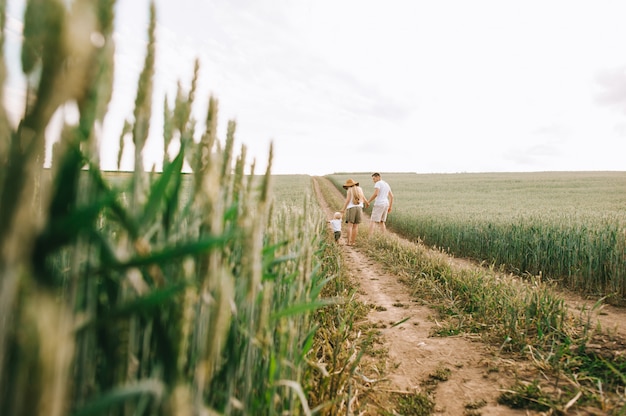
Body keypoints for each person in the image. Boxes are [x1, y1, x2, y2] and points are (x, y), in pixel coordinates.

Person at [340, 178, 369, 246]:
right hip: (359, 208)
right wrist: (367, 203)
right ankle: (353, 242)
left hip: (351, 208)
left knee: (350, 226)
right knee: (355, 226)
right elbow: (363, 197)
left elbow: (347, 200)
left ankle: (348, 242)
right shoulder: (360, 189)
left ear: (348, 185)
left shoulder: (349, 190)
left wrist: (343, 209)